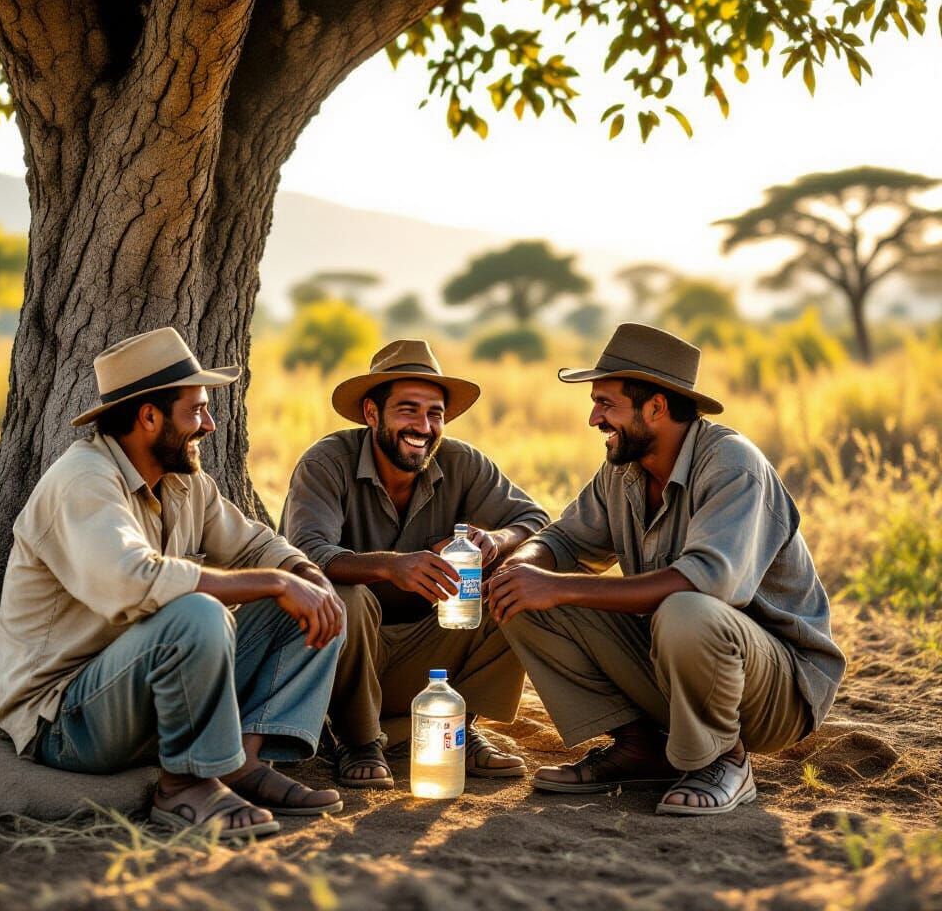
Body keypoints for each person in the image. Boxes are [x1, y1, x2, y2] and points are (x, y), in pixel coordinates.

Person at [0, 328, 346, 841]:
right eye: (196, 411)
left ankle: (239, 764)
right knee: (198, 612)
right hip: (67, 718)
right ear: (149, 417)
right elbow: (133, 581)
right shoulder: (83, 481)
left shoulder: (185, 481)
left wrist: (304, 574)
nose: (210, 424)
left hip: (148, 691)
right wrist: (274, 581)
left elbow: (255, 545)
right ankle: (184, 786)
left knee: (316, 600)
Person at [487, 323, 845, 816]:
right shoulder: (622, 470)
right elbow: (562, 540)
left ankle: (725, 759)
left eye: (606, 404)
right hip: (676, 667)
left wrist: (557, 587)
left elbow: (704, 584)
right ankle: (642, 748)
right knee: (519, 597)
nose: (594, 418)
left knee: (686, 610)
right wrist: (520, 568)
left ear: (655, 407)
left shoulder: (732, 464)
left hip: (773, 693)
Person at [281, 339, 550, 789]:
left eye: (435, 414)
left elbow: (535, 520)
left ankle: (457, 726)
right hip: (341, 655)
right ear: (371, 413)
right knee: (347, 595)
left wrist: (495, 540)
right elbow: (305, 555)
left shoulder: (462, 462)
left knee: (513, 585)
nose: (424, 427)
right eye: (408, 411)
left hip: (426, 653)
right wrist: (391, 566)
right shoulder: (326, 462)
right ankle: (358, 739)